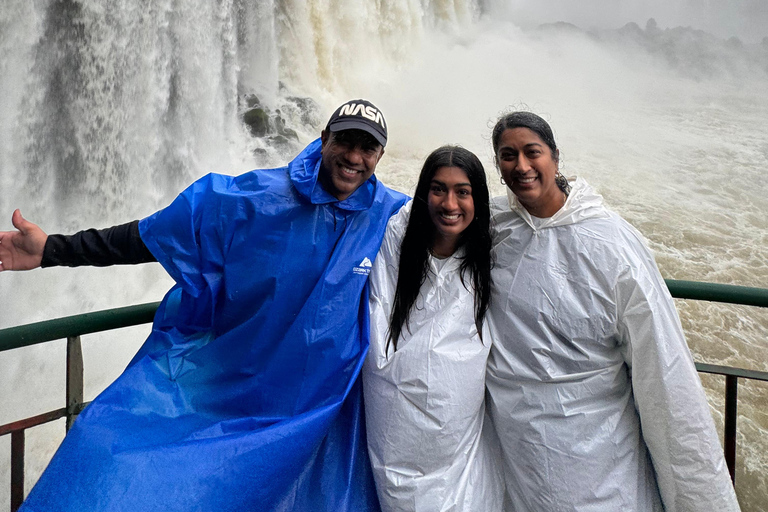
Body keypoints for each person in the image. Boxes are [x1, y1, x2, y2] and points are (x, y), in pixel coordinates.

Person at [0, 99, 408, 512]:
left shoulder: (393, 217)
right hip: (234, 388)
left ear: (380, 156)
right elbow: (155, 235)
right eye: (345, 142)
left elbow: (456, 246)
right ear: (323, 140)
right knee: (106, 451)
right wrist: (52, 249)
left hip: (327, 406)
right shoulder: (254, 199)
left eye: (367, 148)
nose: (354, 157)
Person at [485, 111, 740, 511]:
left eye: (532, 152)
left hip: (597, 458)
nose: (521, 166)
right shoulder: (495, 228)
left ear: (554, 156)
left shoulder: (611, 243)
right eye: (507, 155)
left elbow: (664, 375)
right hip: (516, 453)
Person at [363, 146, 504, 511]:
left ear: (479, 198)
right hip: (396, 422)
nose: (449, 203)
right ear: (424, 192)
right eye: (438, 189)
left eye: (463, 191)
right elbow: (379, 317)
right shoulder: (396, 238)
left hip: (459, 431)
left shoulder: (493, 250)